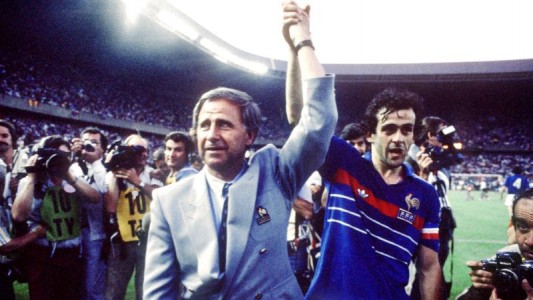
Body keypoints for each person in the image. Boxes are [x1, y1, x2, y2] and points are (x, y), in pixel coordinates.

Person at [143, 2, 337, 298]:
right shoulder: (168, 201)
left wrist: (301, 42)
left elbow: (318, 122)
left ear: (250, 135)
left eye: (224, 125)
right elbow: (159, 292)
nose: (211, 134)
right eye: (205, 125)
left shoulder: (275, 174)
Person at [284, 5, 442, 296]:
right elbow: (299, 117)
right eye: (389, 129)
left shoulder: (425, 194)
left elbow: (429, 266)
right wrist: (298, 48)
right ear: (370, 134)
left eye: (407, 130)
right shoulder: (344, 163)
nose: (399, 138)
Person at [11, 135, 100, 299]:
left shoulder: (72, 179)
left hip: (71, 253)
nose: (61, 160)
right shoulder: (32, 181)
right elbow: (18, 215)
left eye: (66, 156)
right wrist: (31, 178)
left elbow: (95, 198)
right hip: (43, 254)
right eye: (57, 155)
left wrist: (70, 177)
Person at [104, 134, 163, 300]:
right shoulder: (114, 174)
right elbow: (110, 207)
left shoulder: (152, 173)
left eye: (146, 150)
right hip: (122, 239)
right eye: (138, 150)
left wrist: (138, 182)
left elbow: (160, 197)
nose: (144, 154)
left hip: (148, 240)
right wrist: (115, 174)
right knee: (114, 289)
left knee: (146, 290)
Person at [409, 116, 459, 299]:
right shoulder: (412, 159)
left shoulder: (440, 160)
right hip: (425, 221)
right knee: (426, 270)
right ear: (430, 135)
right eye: (440, 133)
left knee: (436, 268)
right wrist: (422, 172)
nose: (443, 138)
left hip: (443, 219)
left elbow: (457, 159)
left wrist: (450, 143)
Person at [456, 188, 533, 300]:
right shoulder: (507, 261)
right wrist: (480, 291)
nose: (530, 241)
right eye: (522, 226)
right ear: (514, 227)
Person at [70, 127, 108, 300]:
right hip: (72, 234)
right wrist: (72, 157)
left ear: (103, 149)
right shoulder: (73, 168)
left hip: (95, 234)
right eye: (86, 141)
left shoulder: (107, 170)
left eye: (95, 142)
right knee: (74, 283)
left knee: (92, 286)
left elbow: (103, 191)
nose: (89, 145)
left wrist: (95, 163)